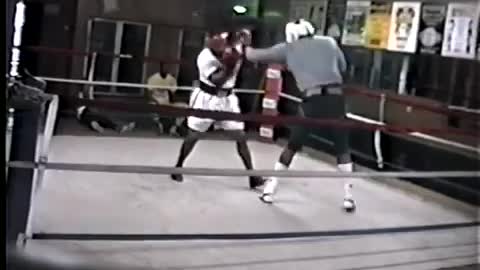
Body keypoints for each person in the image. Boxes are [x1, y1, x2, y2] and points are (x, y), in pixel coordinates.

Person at [240, 19, 356, 211]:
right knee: (342, 148)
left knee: (293, 145)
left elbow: (253, 56)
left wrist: (243, 43)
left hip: (312, 101)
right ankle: (348, 197)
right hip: (336, 100)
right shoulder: (329, 42)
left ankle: (270, 190)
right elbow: (342, 67)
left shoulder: (288, 48)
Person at [170, 27, 265, 190]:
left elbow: (249, 58)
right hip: (207, 98)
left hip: (228, 100)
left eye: (222, 37)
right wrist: (229, 66)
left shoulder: (234, 48)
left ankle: (252, 176)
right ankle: (177, 167)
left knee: (240, 137)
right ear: (209, 41)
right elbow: (217, 81)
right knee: (194, 135)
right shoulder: (204, 58)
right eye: (215, 38)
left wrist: (247, 43)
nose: (220, 41)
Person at [146, 63, 186, 135]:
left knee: (185, 107)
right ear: (161, 68)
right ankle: (159, 126)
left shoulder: (171, 79)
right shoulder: (153, 78)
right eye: (164, 67)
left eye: (167, 67)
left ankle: (175, 128)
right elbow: (149, 94)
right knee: (151, 106)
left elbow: (173, 93)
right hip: (156, 103)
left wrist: (172, 100)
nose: (166, 69)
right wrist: (157, 102)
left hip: (168, 103)